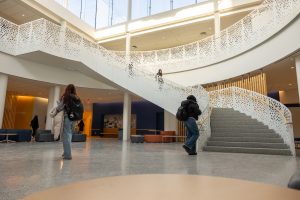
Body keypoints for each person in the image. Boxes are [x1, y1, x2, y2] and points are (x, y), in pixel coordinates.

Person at [50, 84, 80, 160]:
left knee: (66, 136)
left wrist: (55, 112)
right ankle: (66, 152)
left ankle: (68, 155)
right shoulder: (76, 97)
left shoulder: (66, 96)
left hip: (68, 118)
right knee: (69, 136)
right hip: (74, 119)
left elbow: (60, 107)